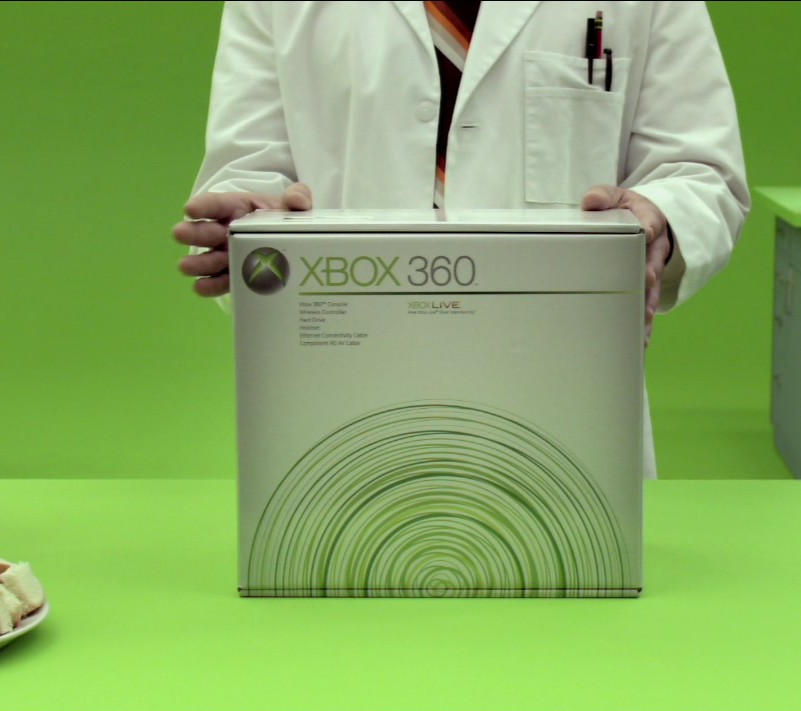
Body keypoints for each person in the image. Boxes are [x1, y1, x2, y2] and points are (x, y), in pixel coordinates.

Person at [172, 1, 749, 479]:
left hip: (562, 397)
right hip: (343, 397)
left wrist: (662, 218)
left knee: (572, 571)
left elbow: (701, 176)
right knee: (335, 571)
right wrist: (247, 228)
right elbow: (247, 172)